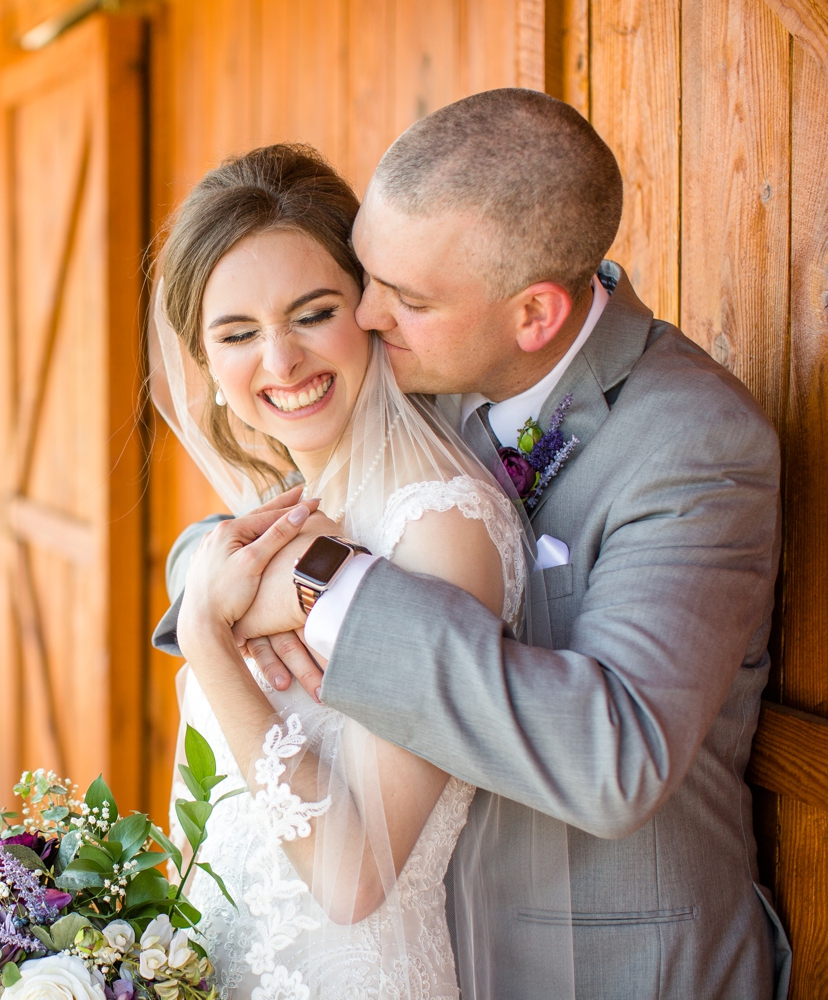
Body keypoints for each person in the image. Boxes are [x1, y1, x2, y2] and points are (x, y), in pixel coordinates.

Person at [156, 89, 788, 998]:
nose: (363, 315)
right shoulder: (426, 362)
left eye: (398, 297)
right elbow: (276, 497)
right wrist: (218, 569)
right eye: (365, 277)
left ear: (532, 317)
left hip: (606, 967)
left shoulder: (691, 442)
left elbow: (614, 756)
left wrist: (320, 583)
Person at [150, 142, 563, 999]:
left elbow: (356, 875)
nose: (281, 362)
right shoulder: (273, 517)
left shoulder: (439, 527)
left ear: (369, 308)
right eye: (237, 333)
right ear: (209, 366)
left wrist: (210, 642)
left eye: (312, 312)